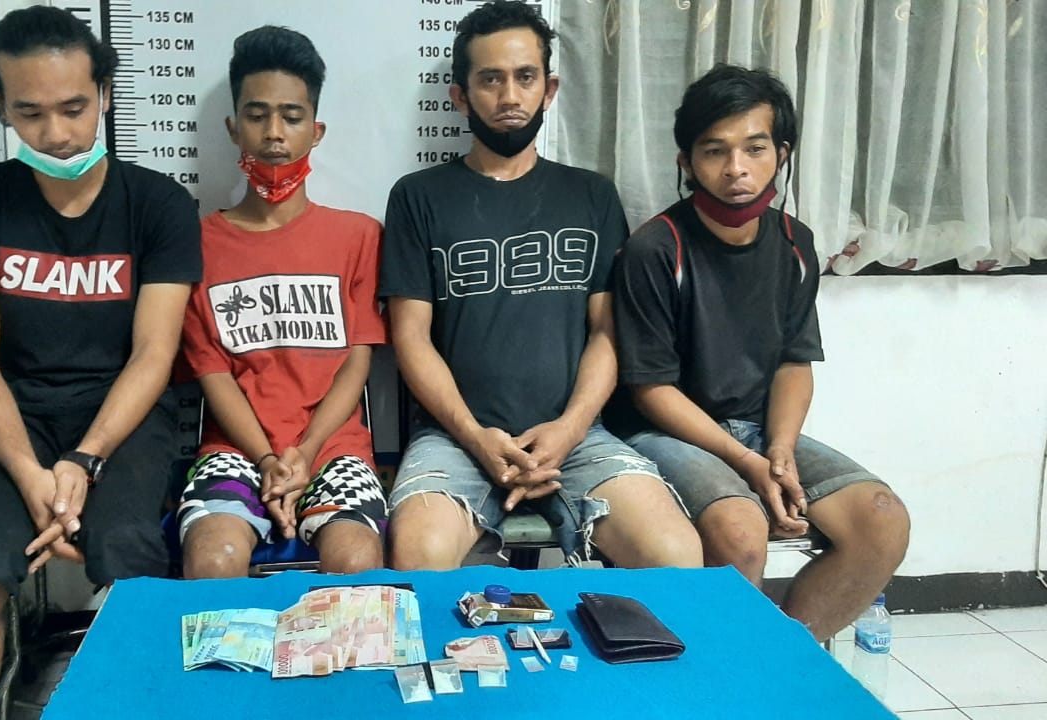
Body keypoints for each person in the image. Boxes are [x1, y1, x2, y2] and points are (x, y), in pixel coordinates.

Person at [0, 7, 200, 717]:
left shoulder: (158, 205)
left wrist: (85, 459)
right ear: (1, 107)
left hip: (123, 415)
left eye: (74, 108)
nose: (56, 133)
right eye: (30, 113)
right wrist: (30, 474)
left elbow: (154, 354)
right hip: (12, 417)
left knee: (129, 556)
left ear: (104, 93)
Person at [380, 0, 702, 571]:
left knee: (675, 555)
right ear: (460, 96)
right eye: (491, 79)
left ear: (548, 89)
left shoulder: (592, 195)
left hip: (576, 436)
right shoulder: (417, 197)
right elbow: (411, 338)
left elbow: (607, 332)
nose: (510, 96)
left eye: (525, 77)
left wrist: (568, 429)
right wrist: (475, 436)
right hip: (455, 438)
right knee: (417, 556)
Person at [606, 64, 910, 641]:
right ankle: (726, 674)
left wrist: (780, 449)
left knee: (881, 520)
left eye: (754, 147)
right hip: (661, 431)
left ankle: (783, 658)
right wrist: (747, 464)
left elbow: (795, 361)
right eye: (714, 151)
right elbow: (651, 389)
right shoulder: (655, 249)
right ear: (686, 162)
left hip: (756, 428)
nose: (736, 168)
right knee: (741, 533)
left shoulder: (796, 242)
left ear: (781, 153)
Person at [175, 26, 387, 579]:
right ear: (233, 127)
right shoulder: (196, 245)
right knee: (213, 558)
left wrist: (306, 451)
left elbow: (357, 361)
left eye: (292, 117)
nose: (274, 134)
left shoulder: (359, 237)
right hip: (234, 449)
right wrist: (268, 458)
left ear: (316, 131)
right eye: (257, 115)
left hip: (335, 448)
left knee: (357, 561)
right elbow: (213, 374)